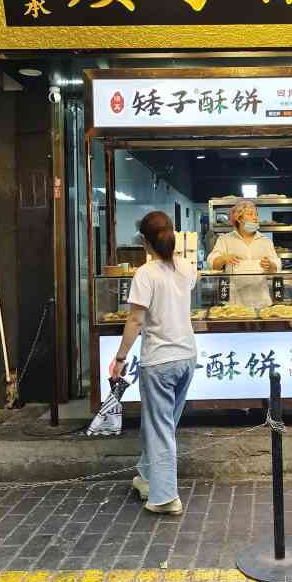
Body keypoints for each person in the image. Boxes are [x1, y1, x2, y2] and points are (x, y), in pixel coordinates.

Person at [111, 211, 197, 516]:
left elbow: (135, 320)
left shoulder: (145, 275)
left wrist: (120, 357)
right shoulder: (187, 268)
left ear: (146, 242)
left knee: (159, 427)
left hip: (159, 361)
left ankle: (164, 497)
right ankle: (148, 478)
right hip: (187, 356)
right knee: (164, 424)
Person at [207, 199, 281, 309]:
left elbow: (277, 265)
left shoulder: (265, 241)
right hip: (235, 301)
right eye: (250, 214)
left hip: (261, 300)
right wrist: (223, 258)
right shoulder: (225, 240)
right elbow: (211, 264)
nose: (255, 218)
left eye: (256, 214)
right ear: (239, 218)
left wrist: (271, 265)